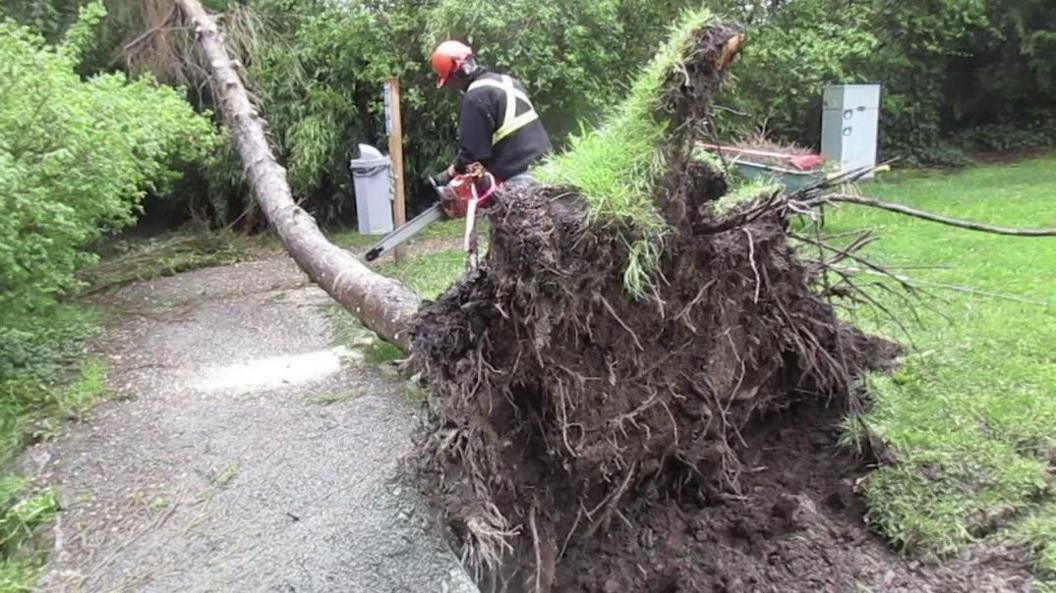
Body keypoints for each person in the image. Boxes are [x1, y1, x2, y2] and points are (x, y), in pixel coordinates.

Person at [429, 40, 552, 191]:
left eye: (448, 82)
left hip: (520, 177)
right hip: (549, 165)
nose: (450, 87)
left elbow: (472, 156)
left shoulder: (475, 97)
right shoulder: (509, 81)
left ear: (456, 75)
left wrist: (450, 173)